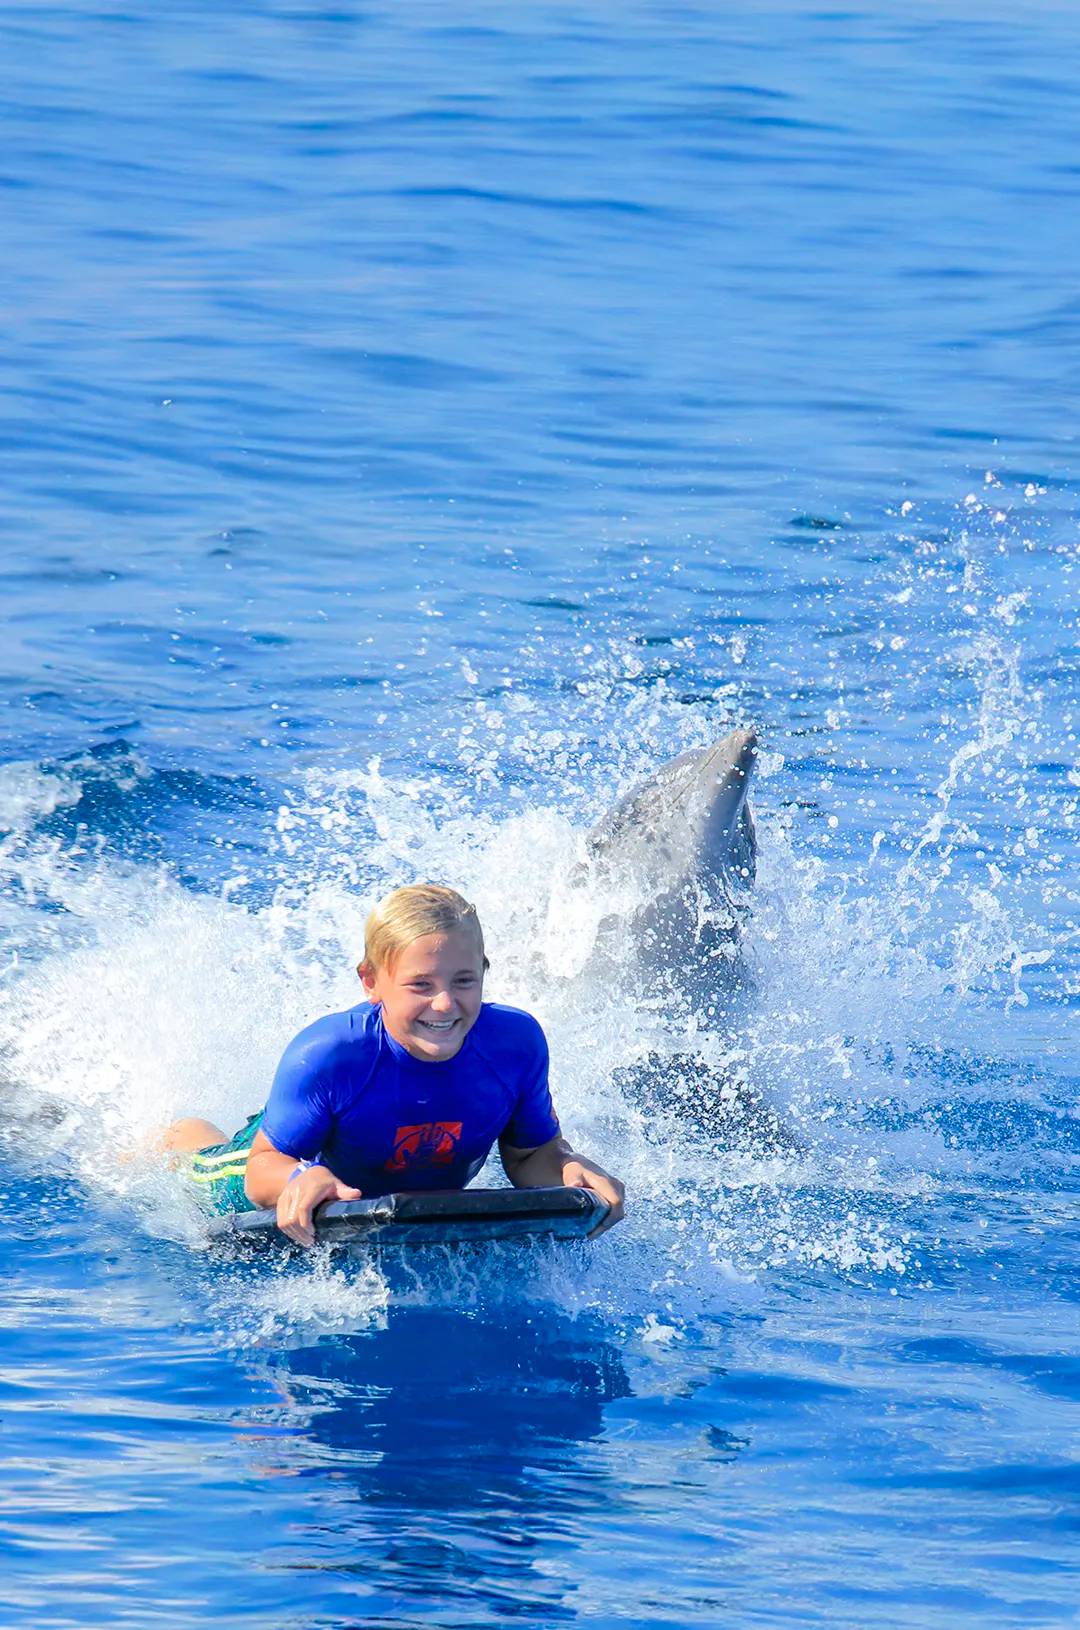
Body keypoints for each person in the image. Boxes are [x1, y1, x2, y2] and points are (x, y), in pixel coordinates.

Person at [162, 884, 625, 1246]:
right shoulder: (330, 1055)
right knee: (193, 1166)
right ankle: (172, 1135)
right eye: (420, 984)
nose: (444, 1004)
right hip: (278, 1157)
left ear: (484, 971)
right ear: (371, 981)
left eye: (463, 980)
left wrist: (566, 1170)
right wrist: (300, 1177)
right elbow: (263, 1168)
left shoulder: (515, 1044)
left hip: (378, 1183)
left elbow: (529, 1155)